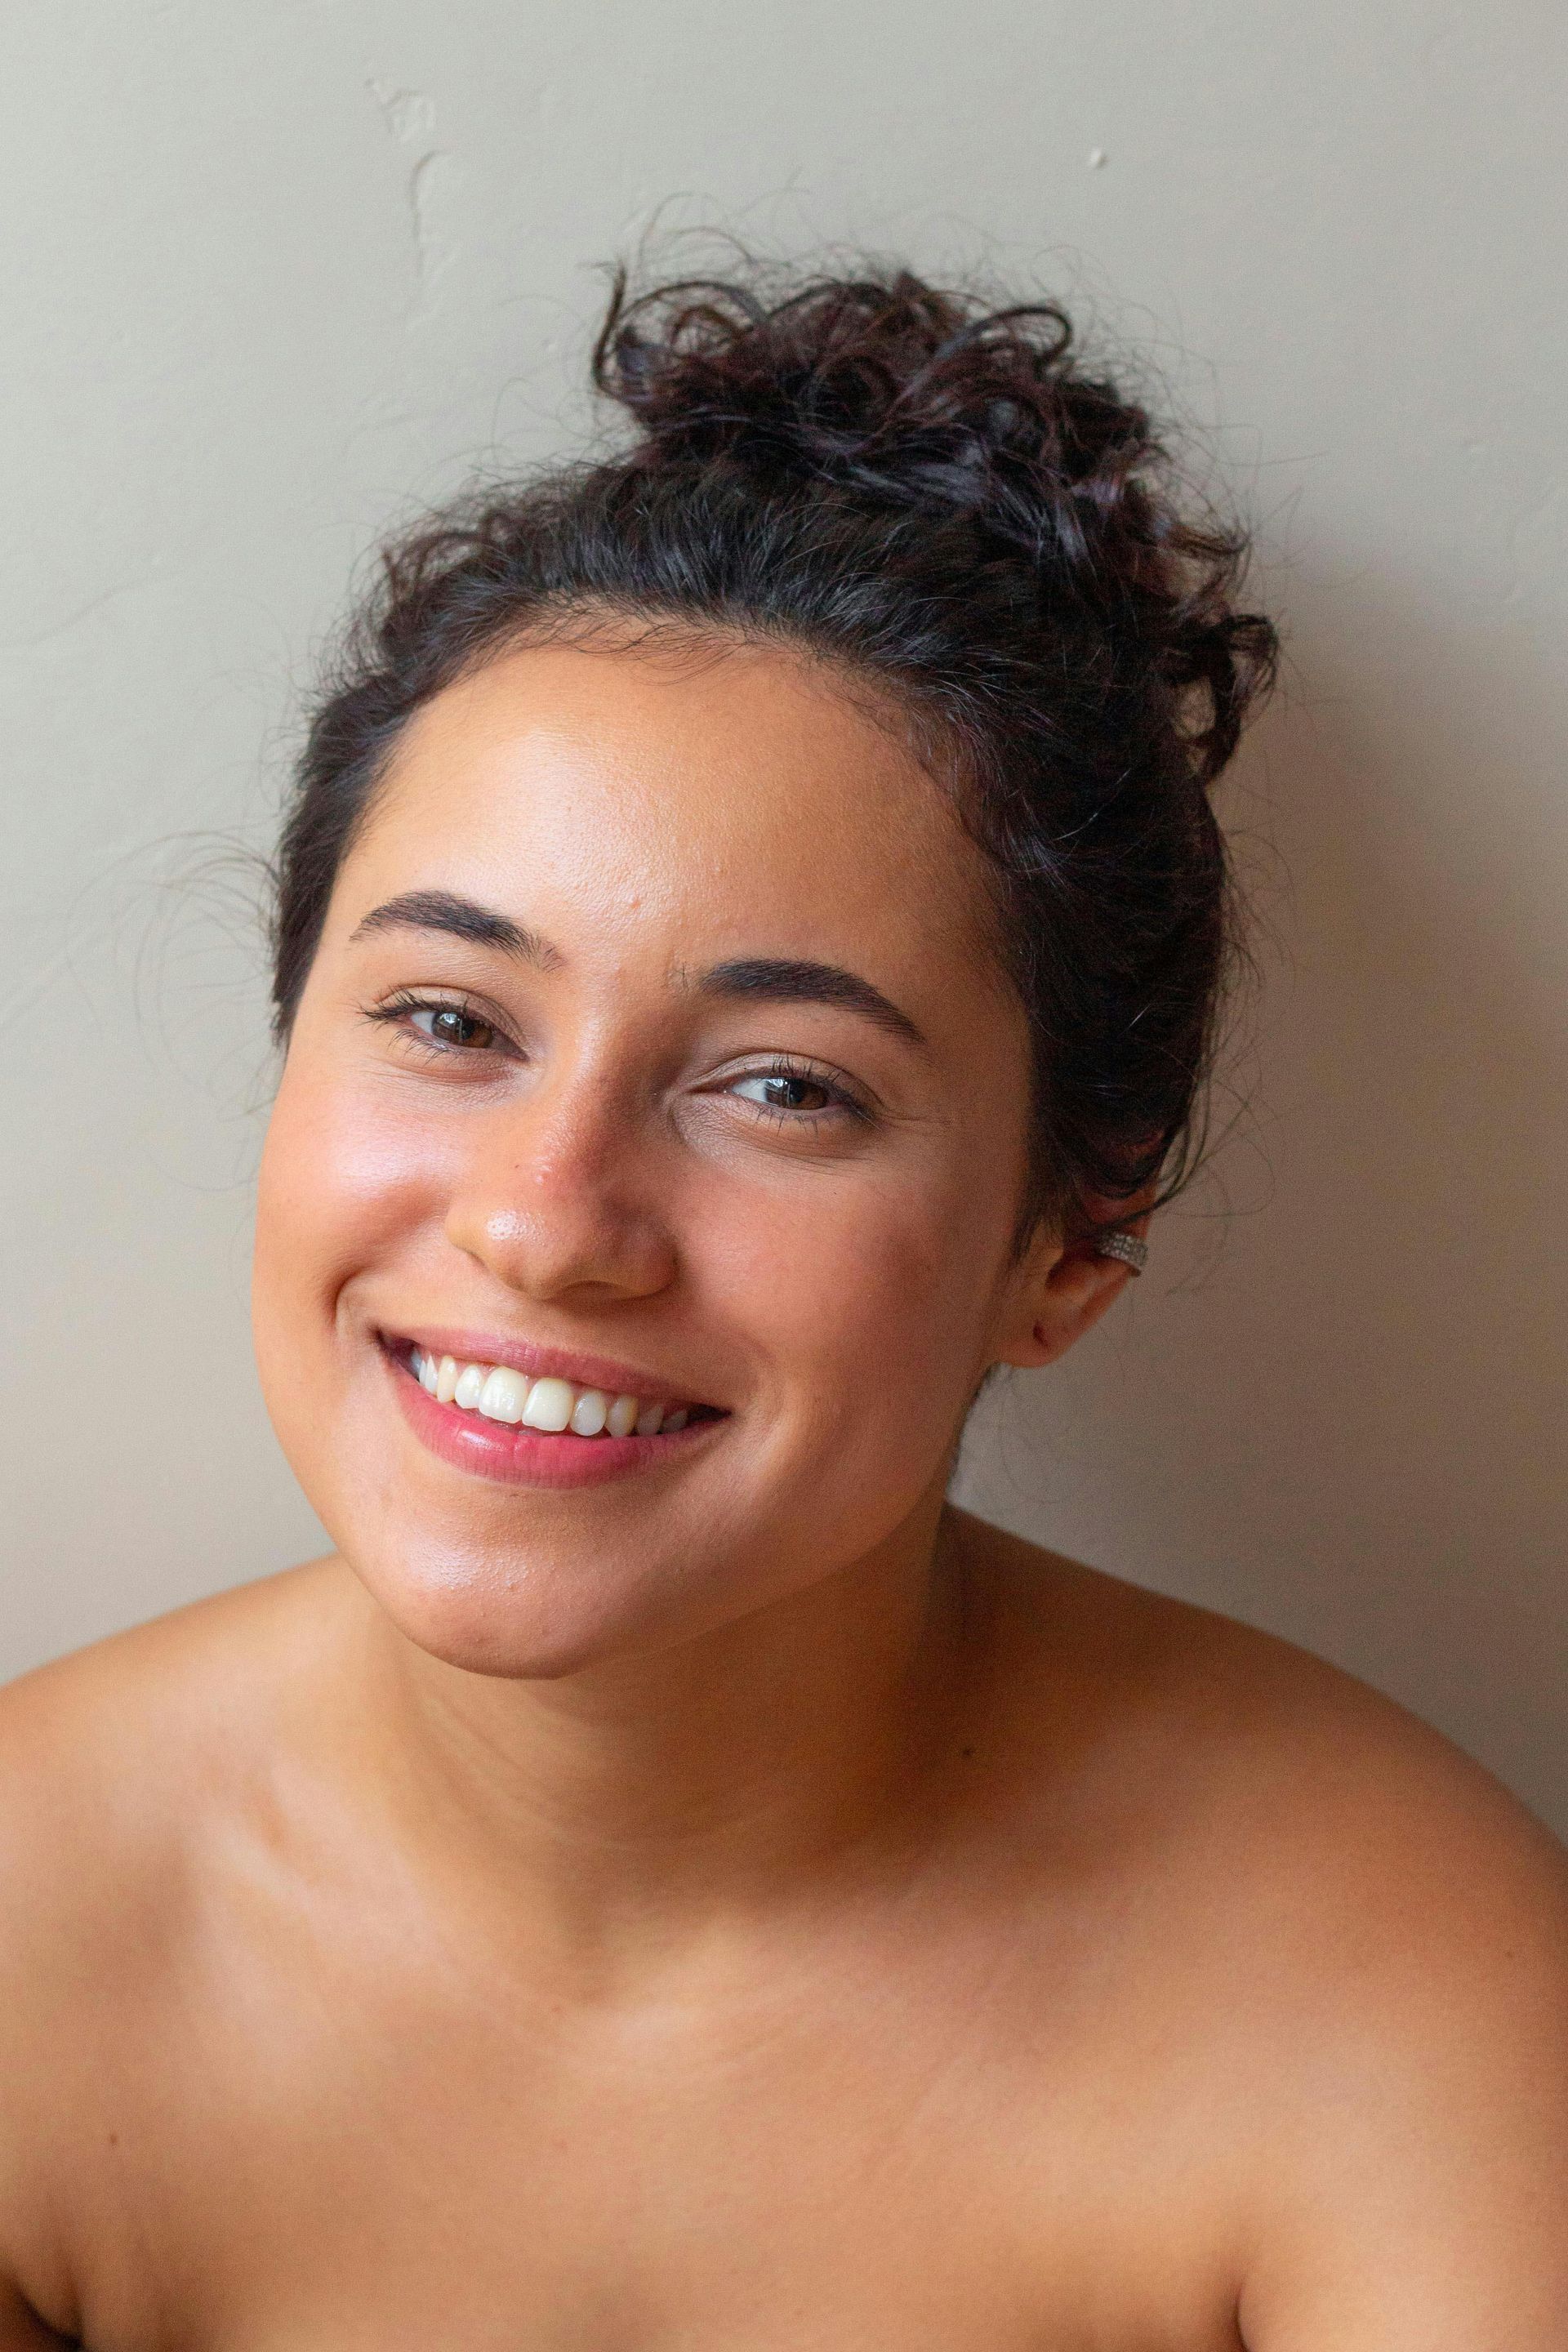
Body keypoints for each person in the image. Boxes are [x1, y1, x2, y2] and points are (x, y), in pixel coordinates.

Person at [2, 261, 1564, 2350]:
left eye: (786, 1089)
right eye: (452, 1017)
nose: (551, 1226)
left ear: (1069, 1247)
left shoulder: (1410, 2002)